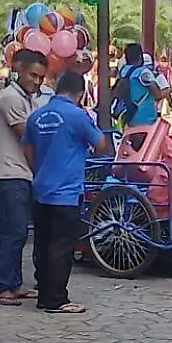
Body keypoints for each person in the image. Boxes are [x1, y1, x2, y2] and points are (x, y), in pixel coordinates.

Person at [22, 71, 105, 314]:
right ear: (80, 94)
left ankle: (44, 291)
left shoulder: (36, 116)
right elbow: (100, 144)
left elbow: (27, 148)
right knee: (61, 246)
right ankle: (55, 299)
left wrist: (39, 170)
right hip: (66, 192)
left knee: (43, 243)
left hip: (40, 188)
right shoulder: (77, 115)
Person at [0, 49, 48, 306]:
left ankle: (14, 283)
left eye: (41, 77)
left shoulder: (26, 98)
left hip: (23, 174)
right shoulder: (10, 98)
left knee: (18, 233)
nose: (37, 81)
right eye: (33, 75)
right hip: (12, 174)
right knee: (14, 232)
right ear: (20, 70)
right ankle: (2, 287)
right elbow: (28, 136)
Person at [114, 43, 168, 128]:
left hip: (127, 117)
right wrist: (168, 91)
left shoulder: (123, 71)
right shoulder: (144, 72)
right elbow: (158, 95)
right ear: (140, 56)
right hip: (145, 119)